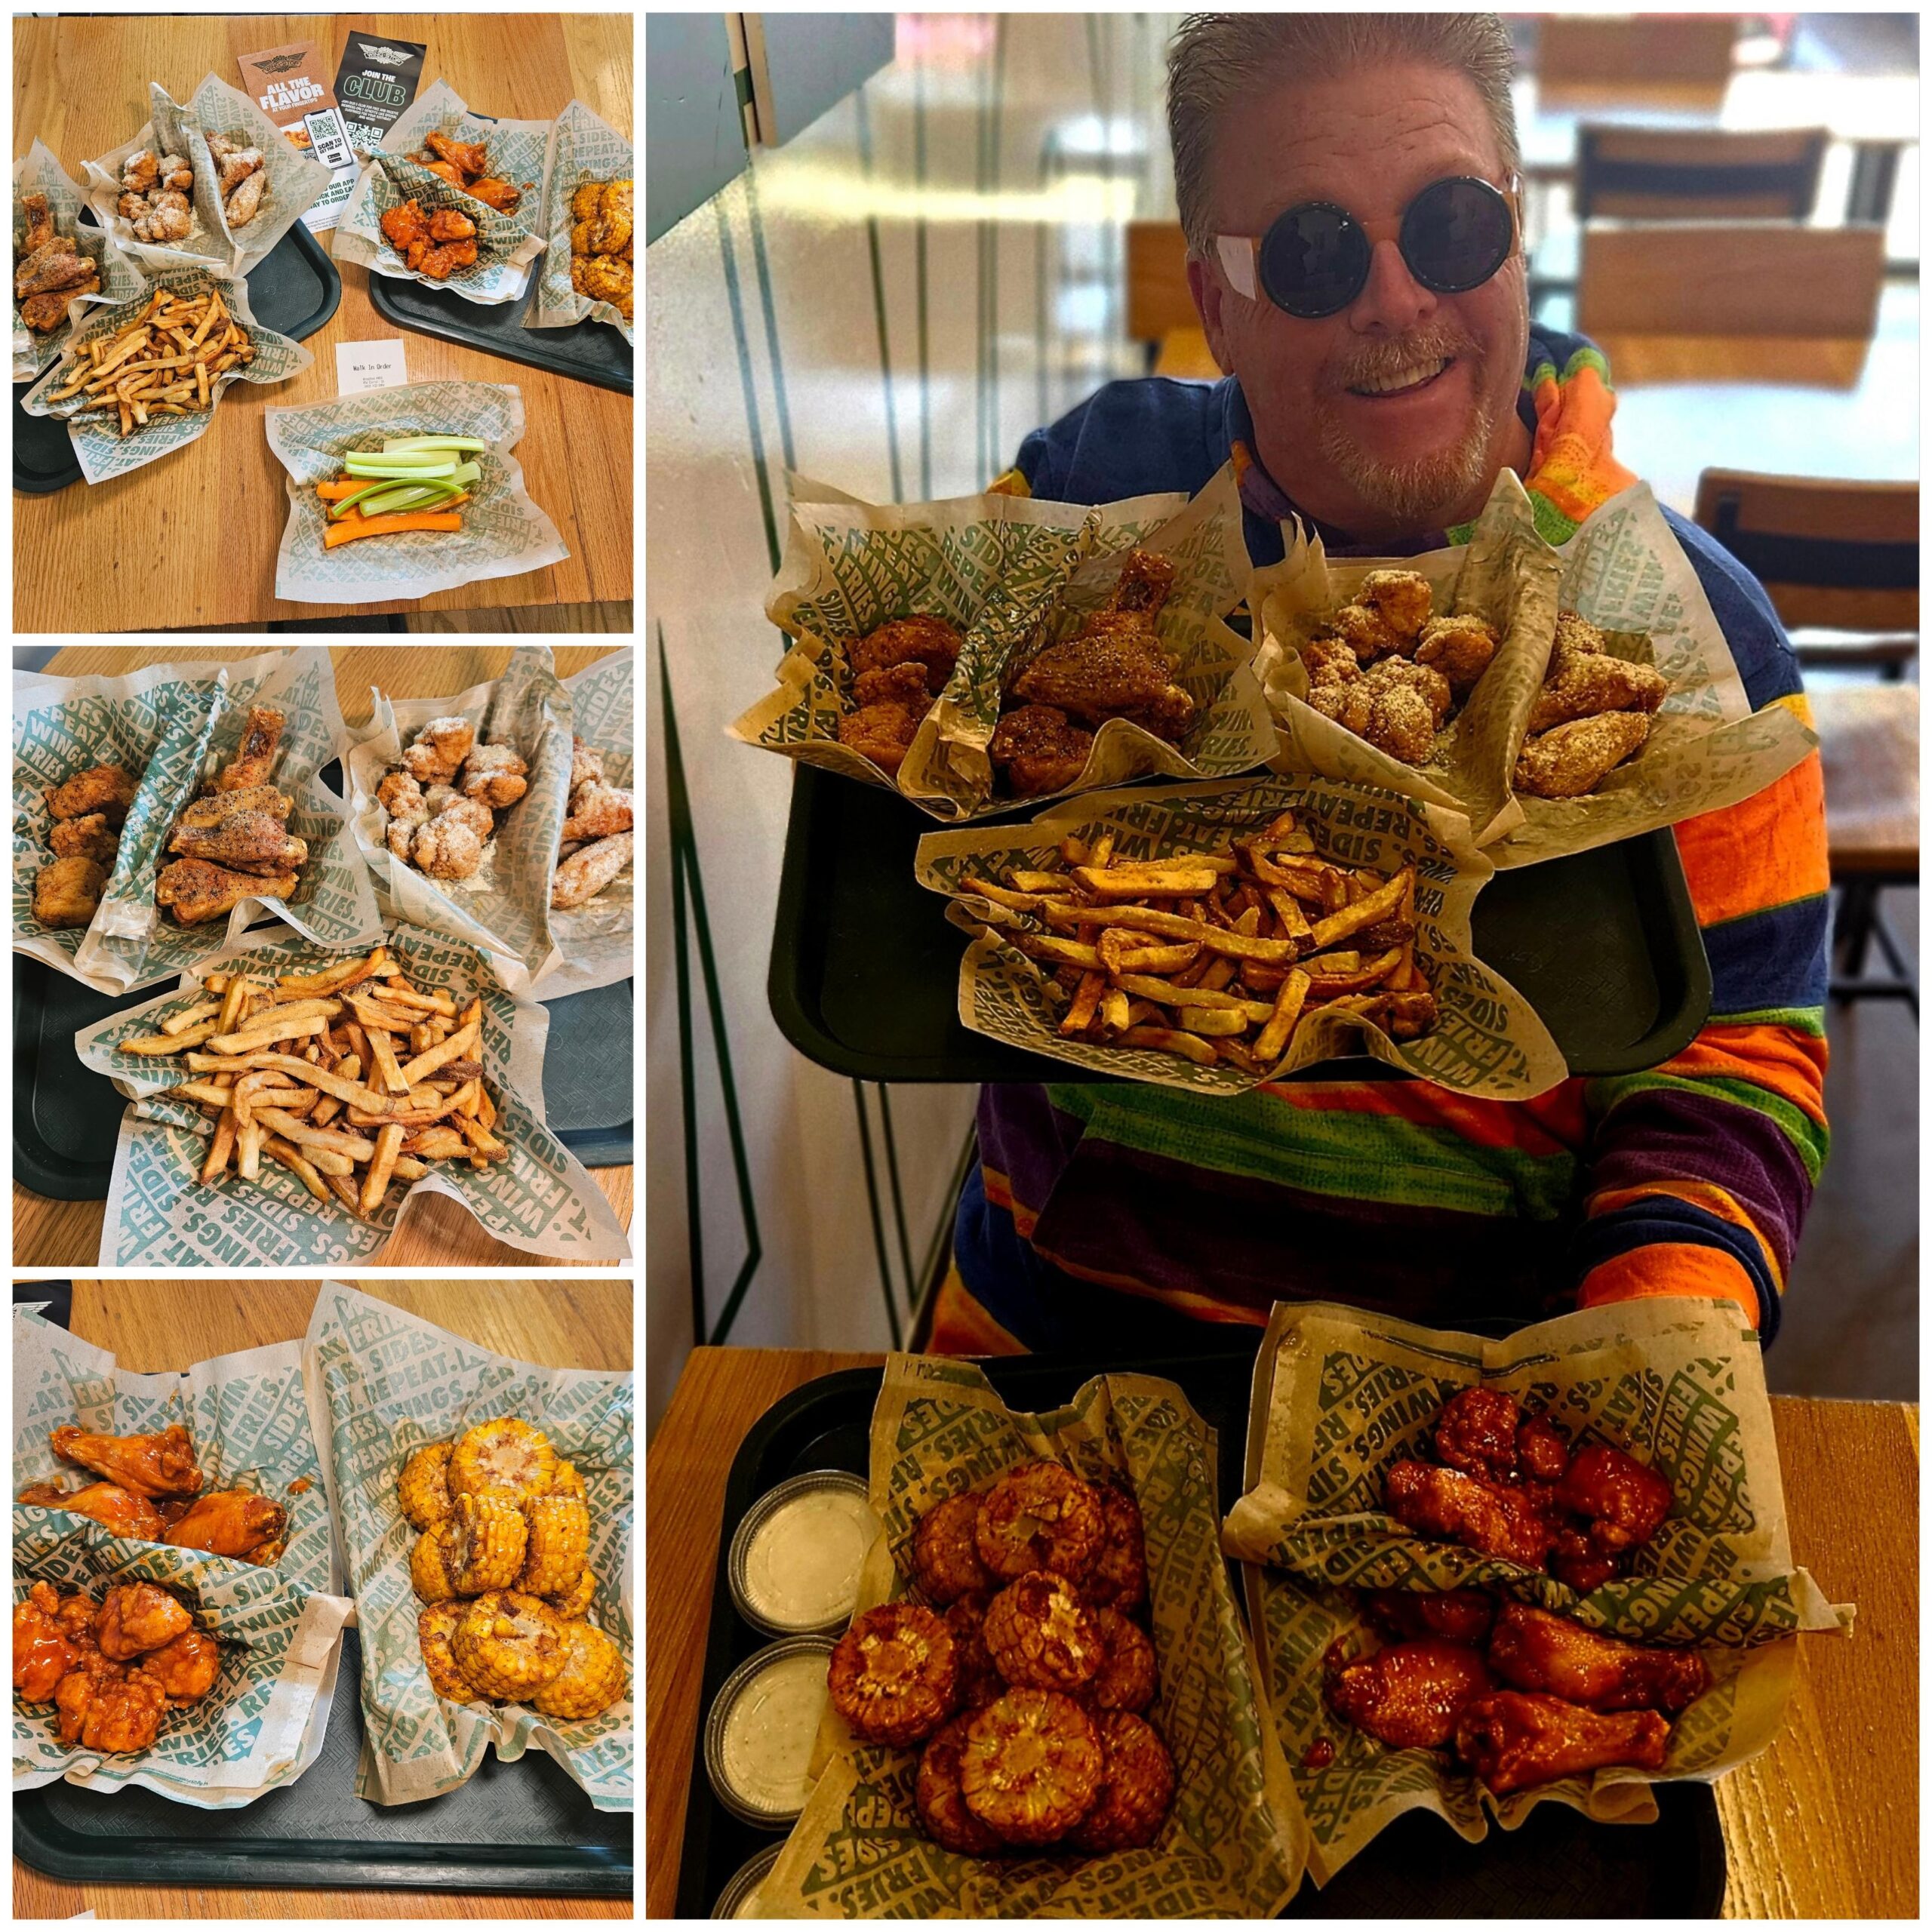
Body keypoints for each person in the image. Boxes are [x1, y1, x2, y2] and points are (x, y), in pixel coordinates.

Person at [932, 14, 1828, 1355]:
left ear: (1519, 236)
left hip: (1473, 1390)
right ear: (1219, 303)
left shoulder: (1696, 641)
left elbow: (1738, 1070)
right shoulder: (1091, 498)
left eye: (1454, 225)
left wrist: (1635, 1363)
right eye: (1313, 252)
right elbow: (913, 767)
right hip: (1050, 1346)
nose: (1397, 301)